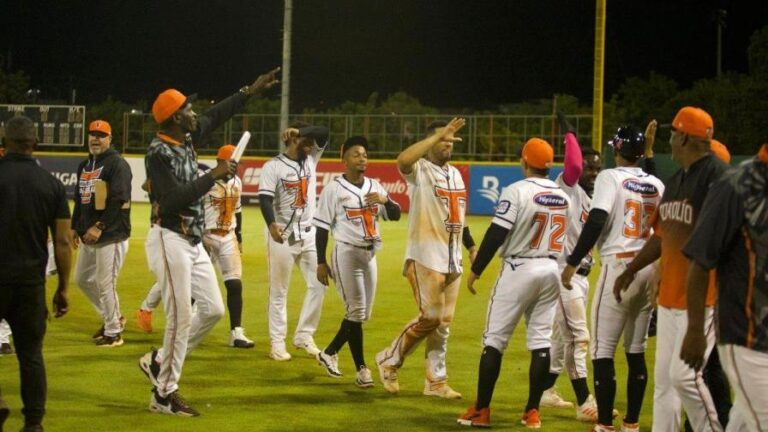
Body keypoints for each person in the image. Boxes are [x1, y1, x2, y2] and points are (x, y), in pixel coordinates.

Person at [138, 67, 279, 417]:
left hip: (192, 239)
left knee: (214, 310)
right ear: (174, 118)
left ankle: (159, 361)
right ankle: (164, 394)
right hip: (169, 237)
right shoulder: (158, 152)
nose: (194, 113)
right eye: (187, 109)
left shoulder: (185, 136)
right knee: (180, 316)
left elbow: (217, 114)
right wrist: (213, 176)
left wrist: (250, 90)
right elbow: (170, 201)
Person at [613, 107, 727, 432]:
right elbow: (662, 235)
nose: (670, 140)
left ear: (685, 138)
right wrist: (632, 269)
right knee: (665, 384)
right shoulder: (677, 181)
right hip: (669, 298)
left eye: (673, 133)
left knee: (684, 378)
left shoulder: (717, 179)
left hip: (704, 300)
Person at [458, 137, 569, 428]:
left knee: (494, 341)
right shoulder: (563, 195)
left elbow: (497, 232)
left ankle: (482, 410)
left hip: (519, 268)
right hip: (551, 269)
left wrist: (477, 269)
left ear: (524, 161)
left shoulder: (517, 190)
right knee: (541, 343)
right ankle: (532, 411)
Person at [562, 126, 665, 432]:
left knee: (603, 351)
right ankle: (631, 424)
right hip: (649, 266)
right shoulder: (657, 182)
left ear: (617, 150)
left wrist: (573, 260)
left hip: (619, 266)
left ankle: (605, 425)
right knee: (636, 350)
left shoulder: (609, 177)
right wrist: (649, 154)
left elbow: (597, 218)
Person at [375, 118, 477, 400]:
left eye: (450, 140)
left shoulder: (456, 175)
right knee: (431, 317)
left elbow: (460, 216)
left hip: (452, 257)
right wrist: (435, 137)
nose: (448, 144)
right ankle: (389, 359)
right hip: (425, 256)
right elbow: (403, 160)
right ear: (430, 142)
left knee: (443, 323)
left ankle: (436, 381)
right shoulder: (420, 170)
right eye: (443, 140)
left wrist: (471, 246)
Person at [679, 142, 768, 431]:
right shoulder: (736, 185)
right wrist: (695, 330)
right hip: (747, 334)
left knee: (742, 420)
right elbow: (699, 260)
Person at [0, 115, 72, 432]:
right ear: (36, 144)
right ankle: (33, 423)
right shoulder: (51, 185)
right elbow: (63, 241)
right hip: (30, 283)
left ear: (4, 144)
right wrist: (63, 288)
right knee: (31, 356)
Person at [313, 136, 401, 387]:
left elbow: (395, 215)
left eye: (364, 154)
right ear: (344, 159)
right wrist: (321, 262)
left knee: (361, 314)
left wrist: (386, 201)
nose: (362, 158)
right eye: (356, 154)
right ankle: (361, 369)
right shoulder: (334, 189)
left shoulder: (375, 186)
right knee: (357, 311)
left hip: (370, 254)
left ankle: (329, 352)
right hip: (346, 253)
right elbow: (321, 228)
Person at [539, 113, 606, 422]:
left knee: (559, 339)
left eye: (597, 168)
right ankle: (585, 402)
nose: (592, 172)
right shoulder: (568, 187)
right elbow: (575, 166)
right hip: (563, 276)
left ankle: (545, 391)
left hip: (581, 276)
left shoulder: (597, 197)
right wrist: (570, 135)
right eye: (589, 167)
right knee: (578, 338)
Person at [258, 122, 330, 361]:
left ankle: (304, 335)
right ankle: (277, 343)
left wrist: (302, 133)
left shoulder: (310, 158)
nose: (310, 145)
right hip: (283, 235)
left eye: (310, 140)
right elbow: (265, 199)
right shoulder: (273, 166)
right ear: (291, 140)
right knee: (279, 291)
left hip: (309, 234)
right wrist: (271, 224)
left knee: (319, 284)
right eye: (304, 141)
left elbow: (324, 132)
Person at [71, 120, 132, 347]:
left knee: (105, 284)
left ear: (109, 139)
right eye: (92, 134)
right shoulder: (85, 165)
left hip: (111, 234)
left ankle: (114, 332)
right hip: (88, 234)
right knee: (82, 279)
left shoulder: (117, 164)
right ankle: (113, 318)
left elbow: (119, 199)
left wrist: (99, 226)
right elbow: (80, 199)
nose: (96, 138)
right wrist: (75, 227)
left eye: (101, 135)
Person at [201, 144, 253, 348]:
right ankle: (186, 327)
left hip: (228, 236)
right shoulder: (205, 180)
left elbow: (237, 211)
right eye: (231, 162)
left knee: (234, 285)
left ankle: (236, 332)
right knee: (198, 286)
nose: (234, 167)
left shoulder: (237, 182)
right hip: (206, 236)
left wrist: (239, 237)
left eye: (236, 163)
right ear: (219, 162)